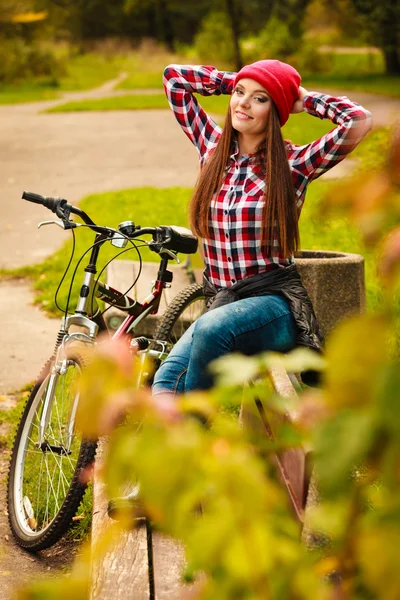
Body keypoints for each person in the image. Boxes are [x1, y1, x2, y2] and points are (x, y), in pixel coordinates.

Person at [150, 60, 373, 396]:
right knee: (165, 384)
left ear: (277, 109)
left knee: (210, 329)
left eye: (260, 98)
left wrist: (305, 99)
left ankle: (195, 433)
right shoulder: (212, 148)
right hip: (221, 304)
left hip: (272, 307)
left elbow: (358, 121)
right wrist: (234, 81)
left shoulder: (294, 164)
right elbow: (174, 79)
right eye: (241, 94)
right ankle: (183, 440)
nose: (243, 103)